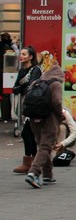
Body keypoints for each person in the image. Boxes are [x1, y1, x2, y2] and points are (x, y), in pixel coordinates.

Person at [24, 57, 65, 188]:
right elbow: (57, 102)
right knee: (46, 146)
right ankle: (33, 173)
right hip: (49, 119)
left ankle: (48, 176)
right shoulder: (56, 84)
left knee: (42, 146)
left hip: (33, 119)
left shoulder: (36, 82)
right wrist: (60, 117)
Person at [11, 46, 42, 174]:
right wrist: (23, 86)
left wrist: (22, 86)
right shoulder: (22, 71)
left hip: (33, 105)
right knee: (28, 133)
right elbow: (15, 89)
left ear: (31, 57)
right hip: (25, 104)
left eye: (24, 54)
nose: (21, 56)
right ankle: (32, 162)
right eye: (21, 54)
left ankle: (32, 163)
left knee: (27, 133)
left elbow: (32, 85)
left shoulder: (35, 70)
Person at [51, 106, 76, 174]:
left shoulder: (64, 113)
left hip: (71, 137)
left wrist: (63, 143)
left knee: (61, 127)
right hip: (53, 134)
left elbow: (75, 133)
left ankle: (58, 155)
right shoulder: (43, 114)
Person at [0, 32, 14, 122]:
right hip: (5, 74)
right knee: (5, 96)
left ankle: (5, 116)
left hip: (3, 74)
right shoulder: (8, 48)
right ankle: (6, 116)